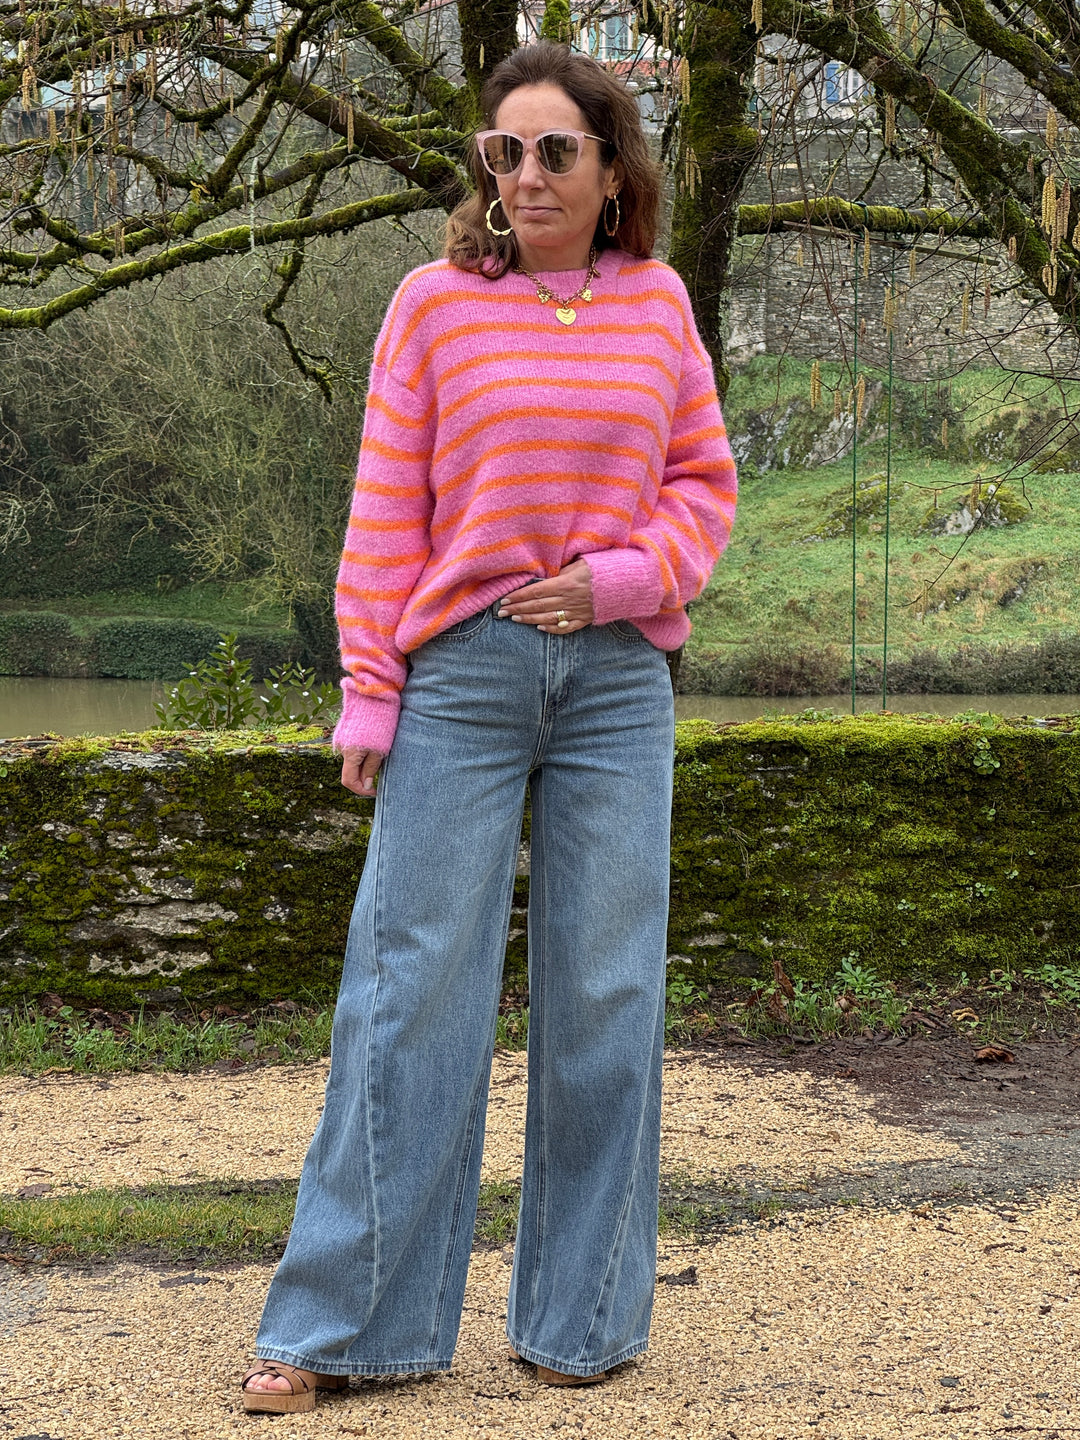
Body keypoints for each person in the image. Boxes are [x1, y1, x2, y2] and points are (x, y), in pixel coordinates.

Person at [240, 39, 737, 1415]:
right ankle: (345, 1326)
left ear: (609, 166)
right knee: (408, 991)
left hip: (619, 682)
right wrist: (369, 687)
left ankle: (580, 1317)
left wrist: (627, 579)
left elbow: (703, 481)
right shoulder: (433, 305)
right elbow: (387, 503)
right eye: (501, 152)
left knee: (607, 997)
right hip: (459, 675)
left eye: (553, 152)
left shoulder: (658, 303)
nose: (525, 175)